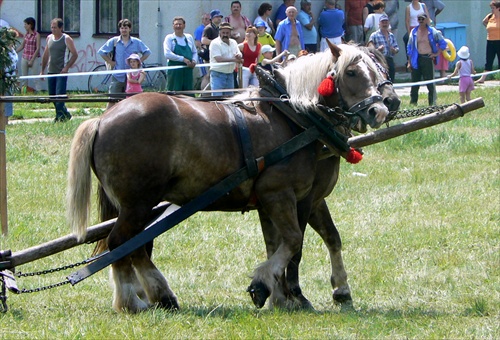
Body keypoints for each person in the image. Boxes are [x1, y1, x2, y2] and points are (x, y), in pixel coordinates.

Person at [98, 18, 151, 109]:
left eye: (126, 28)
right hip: (118, 75)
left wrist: (139, 61)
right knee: (112, 99)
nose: (124, 30)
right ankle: (105, 119)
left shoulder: (136, 42)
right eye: (122, 28)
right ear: (119, 29)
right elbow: (101, 52)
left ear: (130, 29)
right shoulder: (114, 41)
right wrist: (110, 62)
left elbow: (147, 52)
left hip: (133, 77)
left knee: (133, 101)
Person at [40, 18, 78, 122]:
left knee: (59, 96)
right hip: (51, 71)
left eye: (55, 27)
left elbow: (75, 54)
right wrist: (42, 71)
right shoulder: (49, 38)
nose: (53, 29)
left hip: (61, 72)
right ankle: (65, 114)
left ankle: (60, 117)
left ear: (61, 28)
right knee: (52, 96)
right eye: (51, 27)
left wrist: (66, 68)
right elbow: (46, 55)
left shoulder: (67, 39)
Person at [407, 13, 447, 105]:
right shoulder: (414, 32)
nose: (421, 21)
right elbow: (409, 47)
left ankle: (432, 103)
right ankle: (413, 102)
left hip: (427, 58)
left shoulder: (433, 31)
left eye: (423, 19)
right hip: (416, 59)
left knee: (430, 82)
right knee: (415, 82)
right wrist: (409, 61)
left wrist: (436, 53)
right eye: (419, 19)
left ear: (426, 20)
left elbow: (443, 43)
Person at [164, 16, 198, 93]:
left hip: (187, 71)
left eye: (180, 24)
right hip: (175, 72)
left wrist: (194, 61)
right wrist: (183, 59)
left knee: (188, 94)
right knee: (174, 95)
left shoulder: (189, 37)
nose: (178, 26)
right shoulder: (169, 38)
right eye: (176, 24)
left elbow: (194, 52)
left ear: (184, 25)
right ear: (173, 26)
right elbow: (167, 54)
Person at [209, 22, 242, 96]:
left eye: (227, 33)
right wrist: (234, 60)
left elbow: (239, 53)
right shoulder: (215, 43)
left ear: (230, 33)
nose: (225, 35)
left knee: (229, 99)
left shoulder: (234, 42)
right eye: (223, 32)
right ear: (219, 32)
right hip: (218, 74)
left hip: (230, 74)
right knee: (217, 99)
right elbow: (218, 59)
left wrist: (239, 55)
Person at [368, 14, 399, 81]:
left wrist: (394, 50)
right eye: (383, 22)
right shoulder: (374, 35)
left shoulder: (391, 35)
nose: (384, 24)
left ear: (388, 23)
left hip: (390, 60)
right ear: (379, 24)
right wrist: (378, 50)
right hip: (379, 60)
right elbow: (370, 50)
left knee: (391, 79)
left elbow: (397, 48)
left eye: (386, 22)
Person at [476, 1, 500, 84]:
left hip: (499, 41)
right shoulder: (490, 16)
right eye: (491, 8)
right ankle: (483, 78)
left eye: (493, 8)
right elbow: (484, 22)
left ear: (498, 8)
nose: (492, 10)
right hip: (490, 41)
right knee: (488, 60)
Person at [16, 17, 41, 92]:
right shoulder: (26, 35)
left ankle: (39, 92)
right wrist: (14, 52)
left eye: (26, 24)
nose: (24, 26)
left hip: (33, 58)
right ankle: (24, 91)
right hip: (25, 57)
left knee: (35, 77)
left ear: (30, 25)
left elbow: (38, 48)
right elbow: (22, 46)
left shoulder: (36, 35)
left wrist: (32, 60)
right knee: (24, 76)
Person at [1, 29, 18, 124]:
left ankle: (6, 120)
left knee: (9, 100)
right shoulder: (4, 51)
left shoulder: (13, 50)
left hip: (11, 78)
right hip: (4, 79)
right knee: (4, 100)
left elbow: (15, 64)